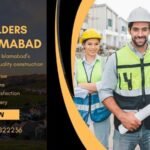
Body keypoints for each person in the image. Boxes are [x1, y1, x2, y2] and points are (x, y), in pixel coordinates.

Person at [99, 7, 150, 150]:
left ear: (149, 30)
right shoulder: (116, 58)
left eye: (144, 29)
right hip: (124, 131)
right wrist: (121, 116)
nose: (140, 34)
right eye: (136, 29)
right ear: (129, 30)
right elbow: (105, 92)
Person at [74, 28, 111, 149]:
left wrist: (81, 85)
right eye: (89, 44)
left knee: (102, 145)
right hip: (80, 113)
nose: (93, 47)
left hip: (101, 111)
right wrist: (97, 86)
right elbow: (72, 88)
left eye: (96, 44)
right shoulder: (76, 64)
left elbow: (107, 85)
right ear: (83, 45)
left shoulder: (106, 62)